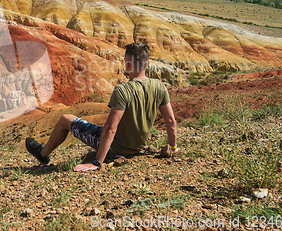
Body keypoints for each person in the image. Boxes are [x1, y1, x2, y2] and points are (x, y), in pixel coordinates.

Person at [25, 42, 179, 172]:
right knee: (97, 127)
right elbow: (171, 121)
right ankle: (45, 151)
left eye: (125, 61)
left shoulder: (123, 90)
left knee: (66, 119)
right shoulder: (159, 87)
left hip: (117, 148)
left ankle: (43, 153)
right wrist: (173, 146)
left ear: (128, 64)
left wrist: (97, 162)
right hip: (137, 147)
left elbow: (111, 128)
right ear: (148, 63)